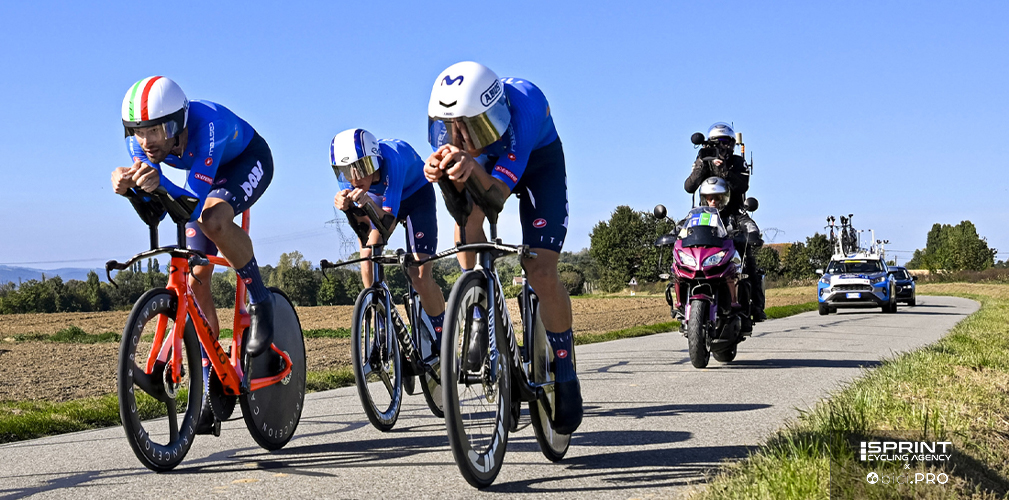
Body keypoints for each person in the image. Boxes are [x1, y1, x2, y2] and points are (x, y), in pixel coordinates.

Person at [424, 61, 582, 434]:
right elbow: (462, 210)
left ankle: (564, 368)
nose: (462, 135)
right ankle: (478, 309)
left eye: (473, 125)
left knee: (540, 270)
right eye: (455, 127)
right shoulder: (441, 128)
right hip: (486, 161)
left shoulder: (524, 105)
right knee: (467, 223)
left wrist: (468, 165)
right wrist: (444, 180)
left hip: (536, 162)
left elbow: (495, 198)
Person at [112, 76, 275, 432]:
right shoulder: (140, 145)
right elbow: (158, 207)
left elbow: (191, 201)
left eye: (157, 130)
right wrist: (129, 189)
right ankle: (205, 381)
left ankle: (261, 300)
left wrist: (156, 183)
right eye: (137, 131)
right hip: (207, 179)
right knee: (195, 276)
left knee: (213, 220)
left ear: (179, 122)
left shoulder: (206, 128)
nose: (146, 141)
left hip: (245, 162)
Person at [330, 128, 446, 346]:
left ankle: (442, 337)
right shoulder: (350, 180)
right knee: (367, 261)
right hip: (376, 199)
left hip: (415, 196)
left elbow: (388, 223)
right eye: (346, 170)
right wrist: (347, 209)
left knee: (419, 273)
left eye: (362, 167)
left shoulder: (393, 159)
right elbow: (365, 233)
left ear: (376, 161)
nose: (354, 178)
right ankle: (382, 326)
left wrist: (368, 203)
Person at [684, 123, 766, 321]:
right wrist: (702, 166)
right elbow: (689, 186)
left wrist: (725, 172)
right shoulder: (703, 159)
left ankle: (755, 306)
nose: (724, 147)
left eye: (728, 143)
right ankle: (682, 301)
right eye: (719, 143)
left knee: (747, 257)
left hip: (733, 214)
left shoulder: (738, 162)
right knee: (684, 245)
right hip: (706, 215)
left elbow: (742, 185)